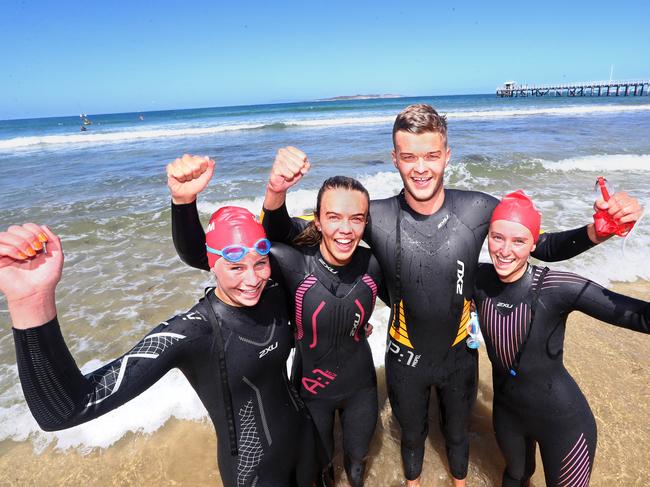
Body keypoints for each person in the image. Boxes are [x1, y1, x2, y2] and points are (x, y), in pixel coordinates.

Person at [257, 105, 643, 486]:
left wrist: (597, 231)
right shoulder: (373, 216)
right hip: (404, 358)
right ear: (395, 159)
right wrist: (276, 190)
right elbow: (288, 233)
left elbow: (541, 245)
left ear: (447, 155)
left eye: (431, 155)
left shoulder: (477, 209)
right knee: (412, 440)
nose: (420, 167)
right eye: (408, 156)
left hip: (460, 357)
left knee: (458, 439)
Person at [0, 207, 317, 487]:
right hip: (255, 470)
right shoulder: (192, 331)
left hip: (305, 442)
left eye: (260, 264)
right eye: (236, 268)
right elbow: (62, 410)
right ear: (211, 263)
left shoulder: (275, 293)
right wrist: (31, 301)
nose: (252, 279)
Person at [168, 153, 383, 487]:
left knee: (358, 459)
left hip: (362, 388)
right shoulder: (291, 263)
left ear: (365, 222)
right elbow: (206, 254)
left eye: (356, 218)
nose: (345, 228)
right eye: (334, 217)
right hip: (312, 392)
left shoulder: (372, 264)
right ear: (317, 221)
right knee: (320, 468)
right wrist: (183, 203)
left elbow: (412, 297)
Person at [473, 190, 649, 486]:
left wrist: (609, 226)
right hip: (508, 414)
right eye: (497, 238)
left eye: (518, 241)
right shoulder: (478, 280)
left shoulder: (557, 288)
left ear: (534, 244)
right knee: (515, 475)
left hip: (564, 422)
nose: (504, 250)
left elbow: (642, 317)